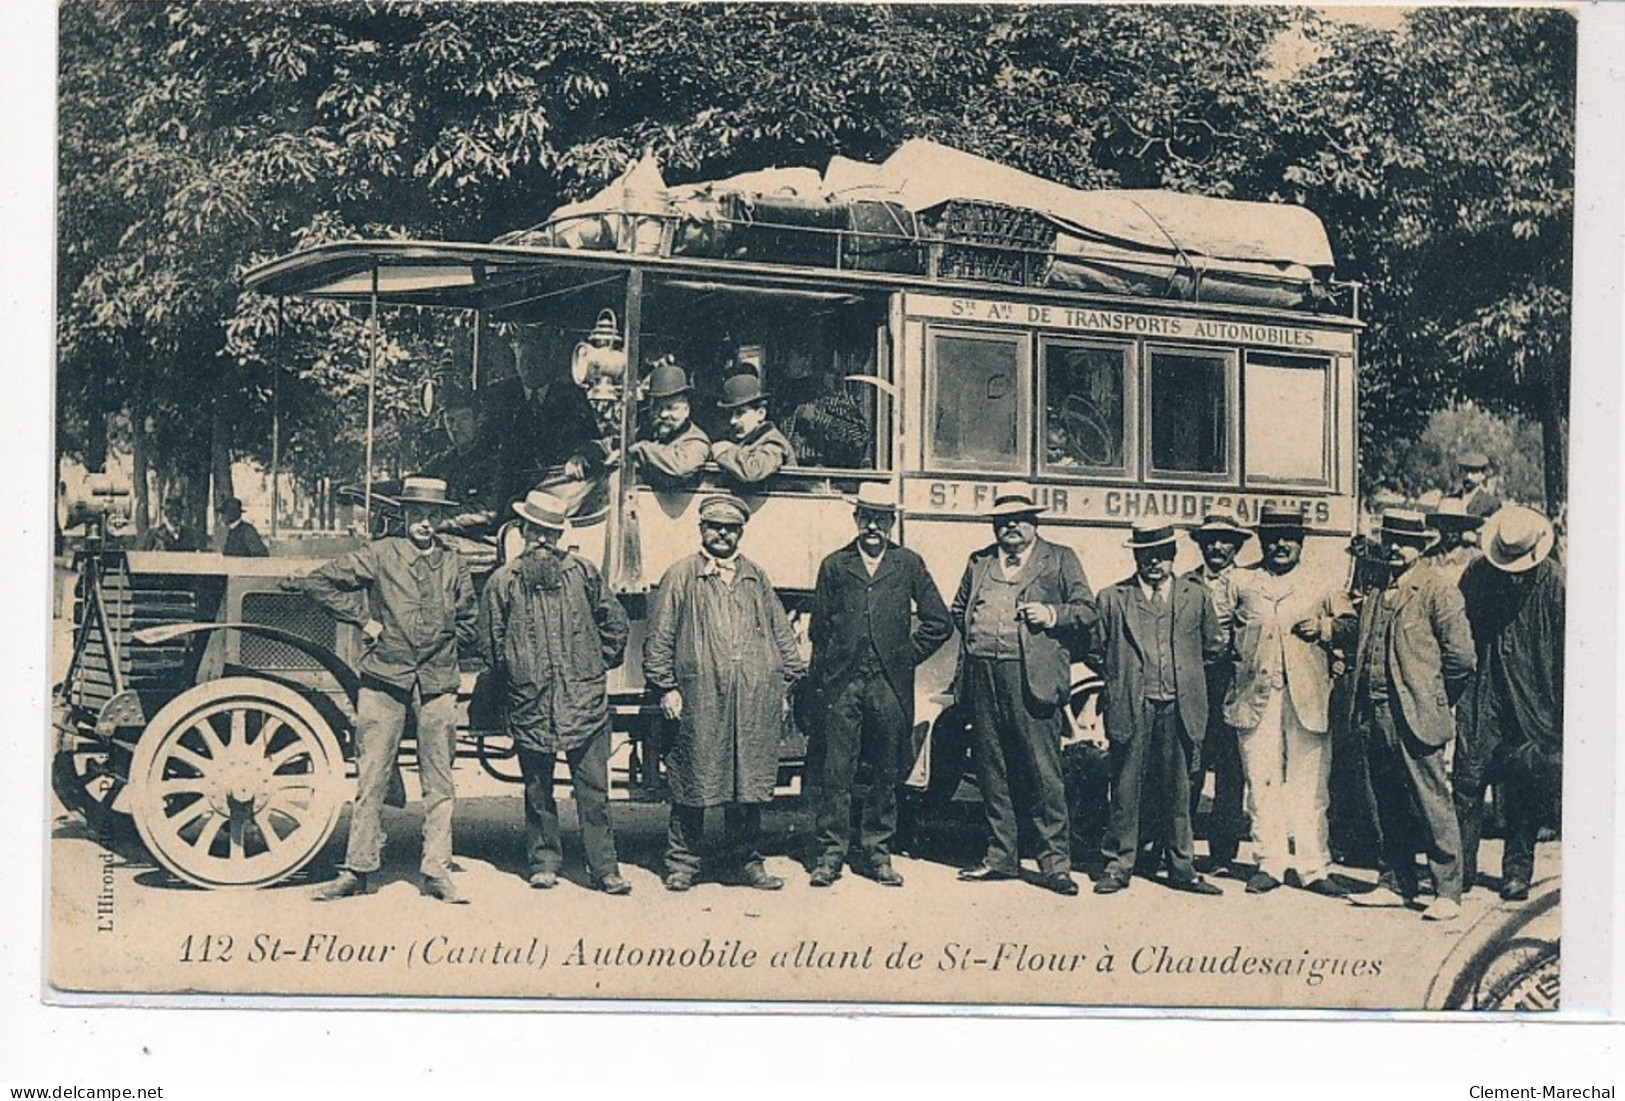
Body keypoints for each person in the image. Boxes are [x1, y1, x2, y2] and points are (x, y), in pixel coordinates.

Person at [292, 476, 478, 904]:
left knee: (440, 782)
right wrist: (364, 620)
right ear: (404, 516)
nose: (425, 523)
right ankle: (357, 870)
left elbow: (469, 618)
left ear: (441, 519)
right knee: (372, 776)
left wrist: (445, 641)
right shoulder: (380, 555)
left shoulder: (454, 563)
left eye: (433, 515)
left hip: (436, 683)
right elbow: (319, 582)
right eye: (417, 514)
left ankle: (437, 871)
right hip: (383, 677)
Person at [643, 493, 807, 891]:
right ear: (702, 529)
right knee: (693, 779)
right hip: (700, 698)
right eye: (715, 527)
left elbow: (781, 635)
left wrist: (787, 682)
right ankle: (682, 863)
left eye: (730, 528)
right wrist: (666, 686)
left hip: (752, 700)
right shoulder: (681, 575)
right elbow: (660, 636)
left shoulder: (755, 577)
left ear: (741, 533)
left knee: (746, 784)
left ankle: (747, 862)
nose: (722, 534)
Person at [480, 489, 632, 896]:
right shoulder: (503, 582)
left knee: (594, 792)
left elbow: (615, 623)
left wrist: (593, 665)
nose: (542, 542)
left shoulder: (583, 574)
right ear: (522, 531)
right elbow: (491, 644)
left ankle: (604, 869)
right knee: (537, 790)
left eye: (550, 533)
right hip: (531, 703)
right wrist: (518, 671)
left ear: (560, 535)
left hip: (583, 703)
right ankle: (544, 862)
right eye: (535, 532)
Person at [950, 481, 1097, 896]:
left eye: (1019, 519)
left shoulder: (1060, 560)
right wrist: (981, 639)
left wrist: (1051, 614)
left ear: (1034, 522)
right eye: (1003, 520)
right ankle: (1001, 857)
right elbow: (960, 609)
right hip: (982, 676)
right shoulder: (979, 561)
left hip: (1031, 679)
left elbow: (1087, 610)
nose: (1011, 526)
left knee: (1043, 773)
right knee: (992, 770)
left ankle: (1054, 865)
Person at [805, 483, 952, 887]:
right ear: (856, 520)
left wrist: (904, 656)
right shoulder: (835, 565)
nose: (873, 525)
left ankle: (877, 853)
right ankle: (830, 855)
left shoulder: (908, 564)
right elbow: (819, 629)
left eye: (882, 518)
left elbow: (940, 621)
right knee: (837, 771)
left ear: (892, 522)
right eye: (866, 517)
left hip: (889, 684)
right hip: (842, 685)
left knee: (887, 771)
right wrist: (823, 684)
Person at [1345, 509, 1475, 921]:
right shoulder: (1378, 586)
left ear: (1422, 546)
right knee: (1386, 799)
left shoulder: (1437, 590)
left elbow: (1462, 659)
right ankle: (1393, 882)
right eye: (1390, 539)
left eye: (1405, 541)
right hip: (1375, 710)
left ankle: (1447, 891)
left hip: (1415, 713)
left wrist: (1434, 699)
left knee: (1432, 800)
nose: (1395, 549)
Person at [1223, 506, 1355, 898]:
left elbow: (1351, 624)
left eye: (1289, 537)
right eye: (1273, 536)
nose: (1280, 544)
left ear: (1302, 542)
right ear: (1261, 540)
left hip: (1308, 696)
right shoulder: (1241, 580)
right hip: (1255, 696)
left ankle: (1313, 865)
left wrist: (1325, 628)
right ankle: (1270, 862)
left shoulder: (1322, 581)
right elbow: (1220, 633)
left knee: (1311, 782)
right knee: (1260, 779)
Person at [1090, 522, 1224, 897]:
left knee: (1179, 790)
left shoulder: (1195, 597)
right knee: (1126, 788)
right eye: (1145, 554)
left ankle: (1182, 867)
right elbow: (1094, 650)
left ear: (1174, 556)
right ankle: (1118, 866)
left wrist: (1187, 680)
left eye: (1162, 554)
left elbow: (1212, 648)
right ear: (1135, 556)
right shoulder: (1112, 597)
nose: (1154, 562)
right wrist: (1122, 680)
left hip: (1180, 707)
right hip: (1132, 705)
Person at [1453, 506, 1564, 901]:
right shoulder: (1477, 575)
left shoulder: (1555, 583)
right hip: (1483, 691)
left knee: (1526, 782)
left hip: (1535, 697)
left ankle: (1517, 870)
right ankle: (1458, 870)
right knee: (1468, 776)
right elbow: (1457, 631)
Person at [1183, 508, 1251, 875]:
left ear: (1236, 546)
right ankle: (1177, 848)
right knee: (1189, 765)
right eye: (1210, 541)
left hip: (1234, 683)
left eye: (1225, 541)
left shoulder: (1249, 583)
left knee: (1230, 770)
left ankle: (1223, 855)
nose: (1218, 547)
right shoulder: (1186, 584)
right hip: (1195, 682)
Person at [628, 361, 711, 491]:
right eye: (657, 408)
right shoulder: (647, 433)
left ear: (686, 410)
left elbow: (681, 466)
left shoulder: (696, 440)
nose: (663, 414)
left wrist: (642, 449)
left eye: (671, 408)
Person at [709, 373, 794, 488]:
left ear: (760, 413)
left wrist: (725, 451)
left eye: (740, 413)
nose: (732, 421)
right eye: (730, 414)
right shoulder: (741, 438)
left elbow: (754, 471)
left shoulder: (773, 442)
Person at [1424, 497, 1484, 585]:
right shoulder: (1429, 557)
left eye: (1456, 524)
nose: (1452, 529)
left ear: (1463, 526)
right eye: (1447, 524)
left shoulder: (1475, 559)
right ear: (1440, 526)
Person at [1445, 451, 1503, 521]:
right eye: (1465, 471)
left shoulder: (1491, 503)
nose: (1468, 476)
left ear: (1483, 475)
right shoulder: (1450, 500)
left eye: (1473, 472)